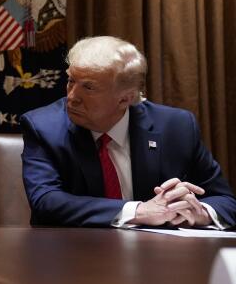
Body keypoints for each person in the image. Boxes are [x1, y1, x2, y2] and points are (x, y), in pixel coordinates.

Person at [21, 36, 236, 228]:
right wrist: (138, 211)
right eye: (71, 81)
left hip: (160, 258)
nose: (72, 96)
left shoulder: (176, 127)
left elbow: (225, 201)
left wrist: (198, 212)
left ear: (125, 99)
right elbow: (46, 201)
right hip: (74, 257)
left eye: (88, 87)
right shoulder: (43, 126)